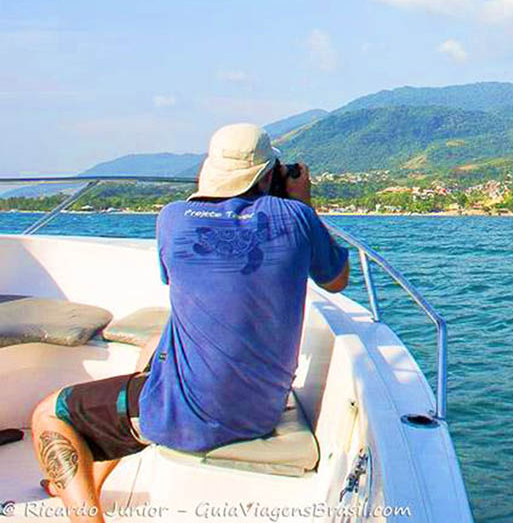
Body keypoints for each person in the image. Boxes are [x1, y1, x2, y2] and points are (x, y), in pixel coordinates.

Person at [31, 123, 350, 522]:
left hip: (193, 416)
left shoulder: (174, 219)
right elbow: (336, 281)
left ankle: (84, 514)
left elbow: (177, 273)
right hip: (261, 410)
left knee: (48, 414)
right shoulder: (297, 218)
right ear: (271, 175)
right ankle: (89, 482)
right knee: (152, 352)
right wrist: (303, 204)